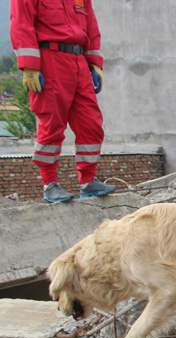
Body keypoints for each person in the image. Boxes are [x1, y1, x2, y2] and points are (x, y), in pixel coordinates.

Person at [10, 0, 115, 203]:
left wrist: (95, 63)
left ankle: (88, 180)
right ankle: (49, 184)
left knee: (91, 124)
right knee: (52, 123)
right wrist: (29, 66)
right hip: (50, 59)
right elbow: (21, 23)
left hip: (79, 61)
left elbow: (91, 25)